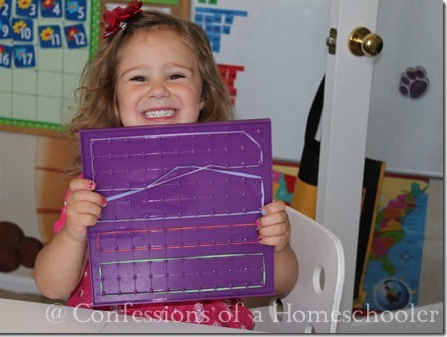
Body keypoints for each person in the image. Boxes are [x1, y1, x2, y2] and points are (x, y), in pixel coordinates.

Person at [34, 0, 298, 330]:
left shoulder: (235, 180)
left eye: (175, 75)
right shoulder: (95, 185)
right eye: (138, 78)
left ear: (203, 95)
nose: (158, 90)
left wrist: (279, 246)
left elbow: (280, 286)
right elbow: (50, 287)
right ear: (114, 102)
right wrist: (74, 234)